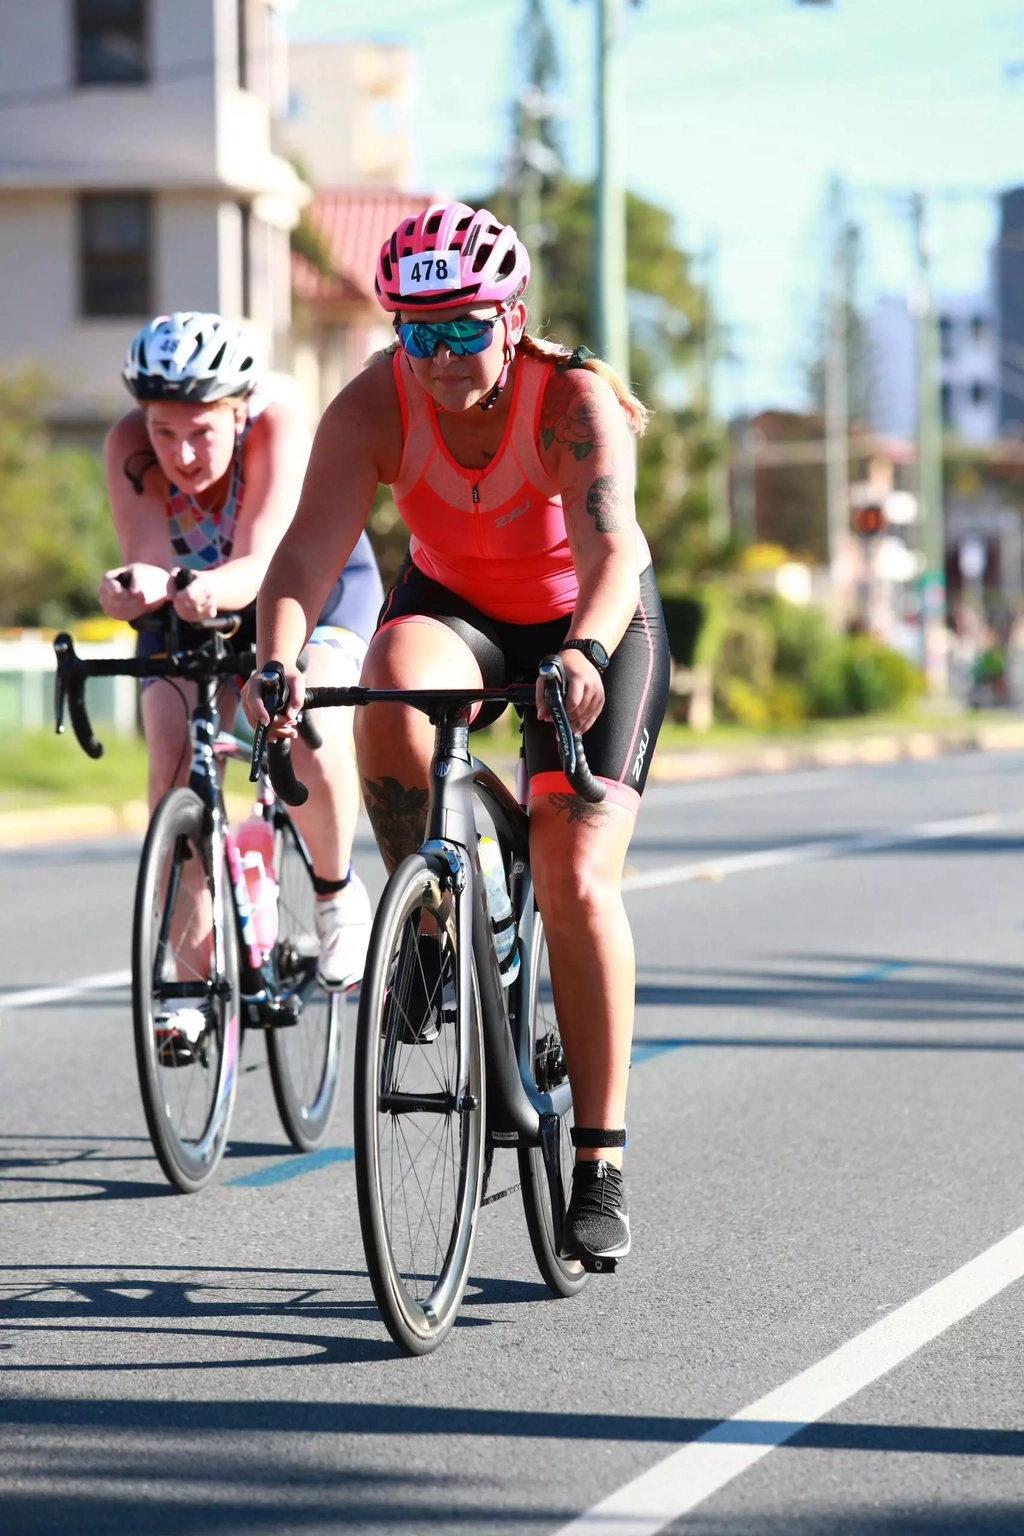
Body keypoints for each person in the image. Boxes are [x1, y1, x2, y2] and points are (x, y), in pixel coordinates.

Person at [242, 205, 670, 1268]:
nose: (437, 358)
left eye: (462, 329)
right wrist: (279, 659)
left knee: (575, 881)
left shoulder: (569, 397)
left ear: (512, 318)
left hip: (591, 619)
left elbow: (614, 551)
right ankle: (431, 923)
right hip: (458, 610)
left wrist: (578, 653)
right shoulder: (375, 402)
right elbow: (302, 558)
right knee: (389, 683)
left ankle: (599, 1159)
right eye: (414, 332)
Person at [98, 311, 382, 999]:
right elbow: (149, 560)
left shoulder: (276, 429)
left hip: (307, 594)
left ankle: (335, 890)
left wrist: (184, 587)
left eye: (201, 432)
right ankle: (190, 982)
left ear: (237, 412)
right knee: (173, 768)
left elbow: (263, 564)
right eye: (165, 433)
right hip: (194, 601)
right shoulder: (125, 444)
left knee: (304, 721)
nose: (182, 454)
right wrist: (127, 589)